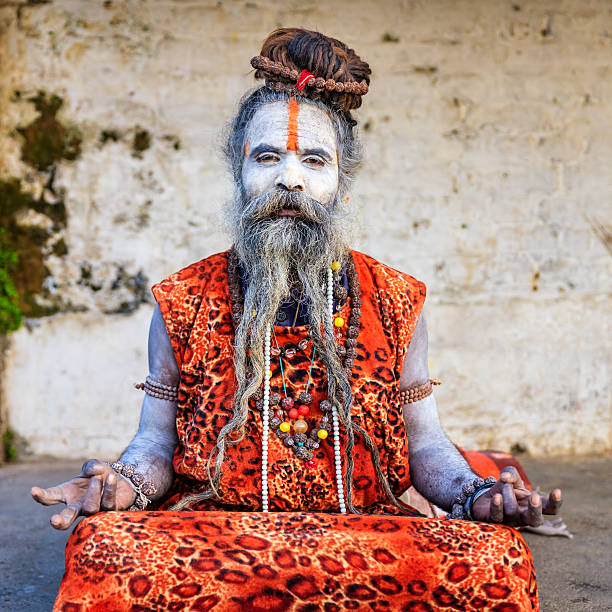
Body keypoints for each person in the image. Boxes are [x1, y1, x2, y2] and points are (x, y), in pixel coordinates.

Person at [32, 28, 562, 611]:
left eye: (314, 159)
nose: (290, 178)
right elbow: (153, 446)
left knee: (498, 557)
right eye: (266, 157)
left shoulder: (396, 298)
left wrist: (476, 494)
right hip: (219, 537)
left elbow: (427, 447)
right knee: (104, 550)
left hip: (366, 535)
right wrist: (122, 486)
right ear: (239, 176)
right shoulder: (182, 299)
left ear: (343, 184)